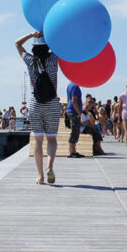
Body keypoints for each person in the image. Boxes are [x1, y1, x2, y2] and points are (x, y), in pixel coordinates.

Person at [16, 31, 60, 184]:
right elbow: (62, 41)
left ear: (34, 48)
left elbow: (17, 44)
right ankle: (49, 166)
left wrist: (31, 34)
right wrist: (48, 33)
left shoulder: (29, 61)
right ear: (47, 47)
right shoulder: (54, 59)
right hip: (53, 102)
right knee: (52, 139)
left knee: (38, 140)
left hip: (35, 103)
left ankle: (40, 176)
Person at [66, 81, 83, 158]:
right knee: (75, 131)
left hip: (71, 110)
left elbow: (68, 99)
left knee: (75, 131)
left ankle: (73, 151)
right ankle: (71, 151)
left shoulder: (70, 85)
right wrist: (79, 112)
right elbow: (74, 100)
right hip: (74, 112)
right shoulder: (75, 86)